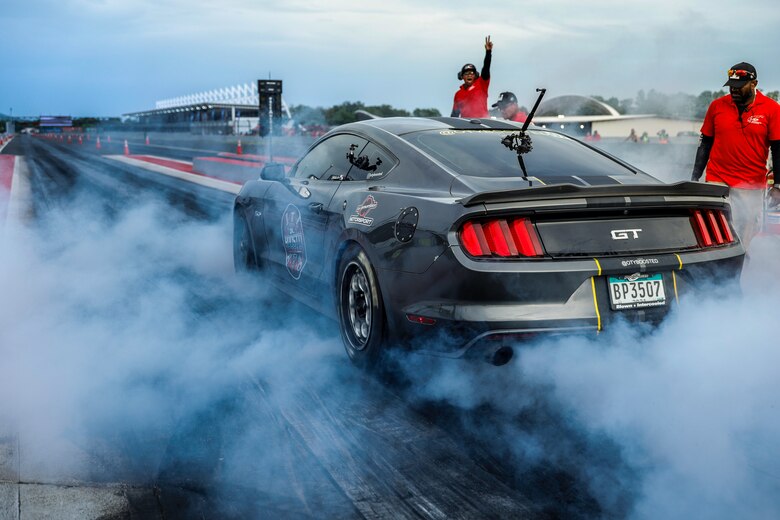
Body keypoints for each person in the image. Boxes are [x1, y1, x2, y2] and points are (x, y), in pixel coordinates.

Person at [691, 62, 780, 250]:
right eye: (731, 86)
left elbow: (778, 149)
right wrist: (695, 177)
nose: (734, 90)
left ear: (754, 84)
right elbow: (705, 142)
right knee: (714, 227)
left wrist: (778, 185)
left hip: (750, 183)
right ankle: (716, 267)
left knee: (746, 231)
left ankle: (739, 269)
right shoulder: (717, 106)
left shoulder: (772, 109)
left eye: (739, 86)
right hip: (717, 178)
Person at [451, 36, 493, 118]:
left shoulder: (482, 84)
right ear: (462, 77)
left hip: (483, 123)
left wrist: (488, 52)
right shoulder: (458, 94)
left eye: (471, 73)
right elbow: (454, 115)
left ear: (476, 75)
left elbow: (486, 68)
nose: (469, 75)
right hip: (466, 126)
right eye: (466, 73)